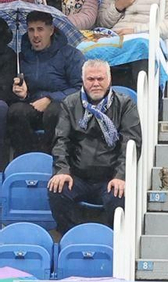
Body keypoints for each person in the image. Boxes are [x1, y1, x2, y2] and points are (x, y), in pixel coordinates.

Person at [49, 59, 139, 236]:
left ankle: (112, 239)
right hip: (78, 176)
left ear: (109, 79)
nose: (96, 83)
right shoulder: (70, 103)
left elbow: (132, 142)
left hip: (110, 177)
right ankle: (71, 237)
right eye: (91, 79)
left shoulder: (125, 104)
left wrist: (121, 175)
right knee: (56, 189)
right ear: (83, 80)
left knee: (120, 194)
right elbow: (61, 140)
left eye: (100, 79)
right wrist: (62, 170)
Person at [7, 9, 84, 158]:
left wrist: (50, 99)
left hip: (62, 107)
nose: (35, 35)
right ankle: (27, 159)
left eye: (40, 29)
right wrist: (22, 94)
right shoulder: (20, 58)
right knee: (15, 111)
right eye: (31, 30)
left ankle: (53, 159)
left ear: (51, 30)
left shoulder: (70, 54)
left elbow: (80, 88)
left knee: (55, 111)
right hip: (32, 106)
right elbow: (15, 93)